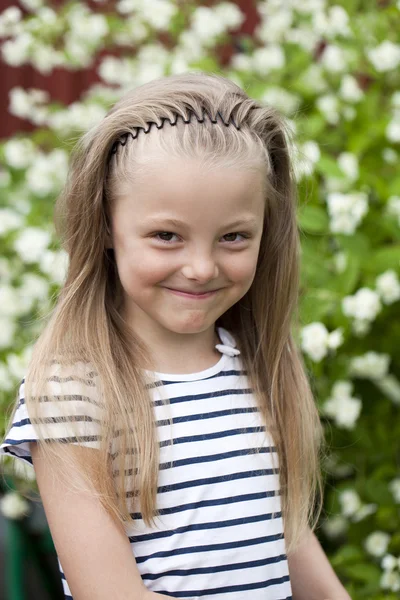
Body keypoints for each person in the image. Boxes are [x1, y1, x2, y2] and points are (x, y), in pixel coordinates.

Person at [0, 72, 351, 600]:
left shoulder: (256, 367)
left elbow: (285, 536)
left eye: (234, 237)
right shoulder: (73, 395)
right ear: (104, 227)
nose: (201, 267)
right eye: (167, 236)